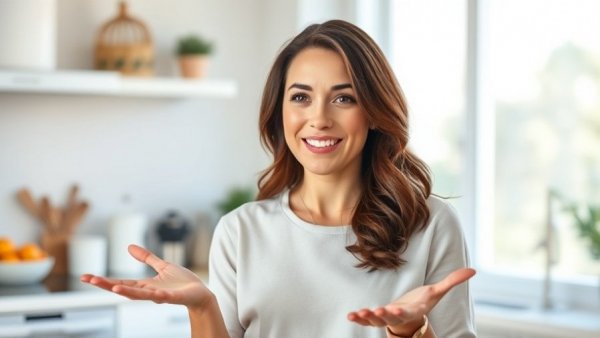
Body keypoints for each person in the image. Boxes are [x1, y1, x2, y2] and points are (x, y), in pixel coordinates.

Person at [81, 19, 477, 338]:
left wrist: (411, 331)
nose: (319, 118)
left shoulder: (430, 224)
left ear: (373, 112)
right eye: (301, 97)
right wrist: (201, 306)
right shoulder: (241, 231)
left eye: (344, 98)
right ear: (280, 112)